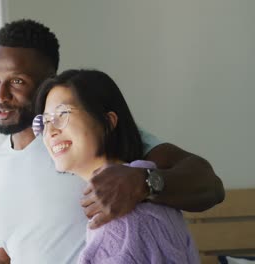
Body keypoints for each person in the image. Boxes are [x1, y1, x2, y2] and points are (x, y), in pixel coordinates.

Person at [0, 19, 223, 264]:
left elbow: (211, 186)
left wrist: (143, 182)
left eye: (17, 81)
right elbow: (0, 254)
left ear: (47, 79)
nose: (0, 95)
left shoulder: (89, 139)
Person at [34, 69, 199, 263]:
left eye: (62, 114)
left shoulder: (122, 224)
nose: (50, 130)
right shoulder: (149, 201)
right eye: (44, 121)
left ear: (107, 121)